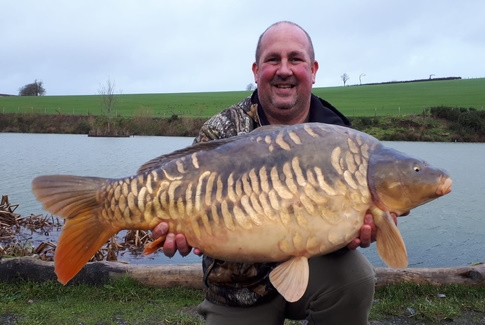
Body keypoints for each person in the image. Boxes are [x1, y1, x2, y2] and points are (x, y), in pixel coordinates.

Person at [153, 21, 404, 324]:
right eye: (273, 59)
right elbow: (184, 194)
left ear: (312, 70)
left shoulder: (341, 138)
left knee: (356, 278)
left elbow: (356, 227)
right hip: (237, 286)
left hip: (317, 270)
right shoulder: (223, 129)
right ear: (256, 70)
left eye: (295, 59)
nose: (284, 69)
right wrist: (175, 231)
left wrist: (361, 230)